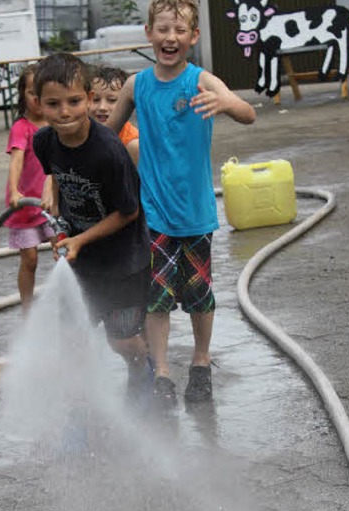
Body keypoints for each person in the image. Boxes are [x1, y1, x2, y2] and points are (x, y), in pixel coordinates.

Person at [107, 0, 256, 403]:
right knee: (155, 299)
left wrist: (226, 103)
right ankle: (162, 374)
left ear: (194, 37)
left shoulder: (201, 80)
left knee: (199, 296)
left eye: (180, 30)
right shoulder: (137, 85)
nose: (170, 37)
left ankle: (201, 363)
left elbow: (248, 114)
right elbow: (107, 136)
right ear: (149, 33)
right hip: (153, 214)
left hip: (195, 213)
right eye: (163, 29)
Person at [32, 52, 153, 395]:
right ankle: (82, 409)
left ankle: (142, 375)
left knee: (122, 341)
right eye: (53, 104)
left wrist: (81, 239)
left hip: (122, 263)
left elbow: (129, 212)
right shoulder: (43, 141)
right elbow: (56, 174)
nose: (64, 112)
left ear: (87, 97)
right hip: (80, 263)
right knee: (73, 340)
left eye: (73, 101)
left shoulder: (109, 151)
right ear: (39, 104)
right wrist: (57, 215)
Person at [5, 64, 53, 314]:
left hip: (51, 203)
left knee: (65, 250)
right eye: (31, 92)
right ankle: (27, 309)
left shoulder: (56, 124)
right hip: (25, 205)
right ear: (23, 95)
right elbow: (16, 160)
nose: (36, 98)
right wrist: (14, 191)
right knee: (30, 259)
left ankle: (70, 302)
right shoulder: (21, 128)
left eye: (40, 92)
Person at [89, 65, 139, 165]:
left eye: (112, 100)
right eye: (96, 100)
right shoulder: (80, 133)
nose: (102, 107)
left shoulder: (132, 143)